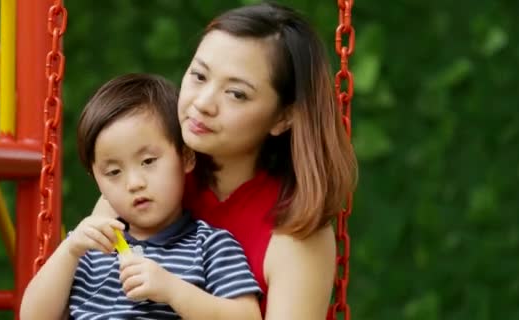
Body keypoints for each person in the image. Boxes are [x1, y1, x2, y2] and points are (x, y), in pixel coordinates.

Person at [94, 2, 358, 319]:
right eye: (199, 76)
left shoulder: (295, 229)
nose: (203, 103)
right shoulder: (146, 177)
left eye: (236, 93)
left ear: (283, 117)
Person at [20, 74, 264, 320]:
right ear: (98, 182)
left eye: (148, 161)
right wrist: (69, 251)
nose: (134, 183)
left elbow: (248, 316)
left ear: (186, 157)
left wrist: (172, 290)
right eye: (114, 172)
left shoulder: (210, 246)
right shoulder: (88, 247)